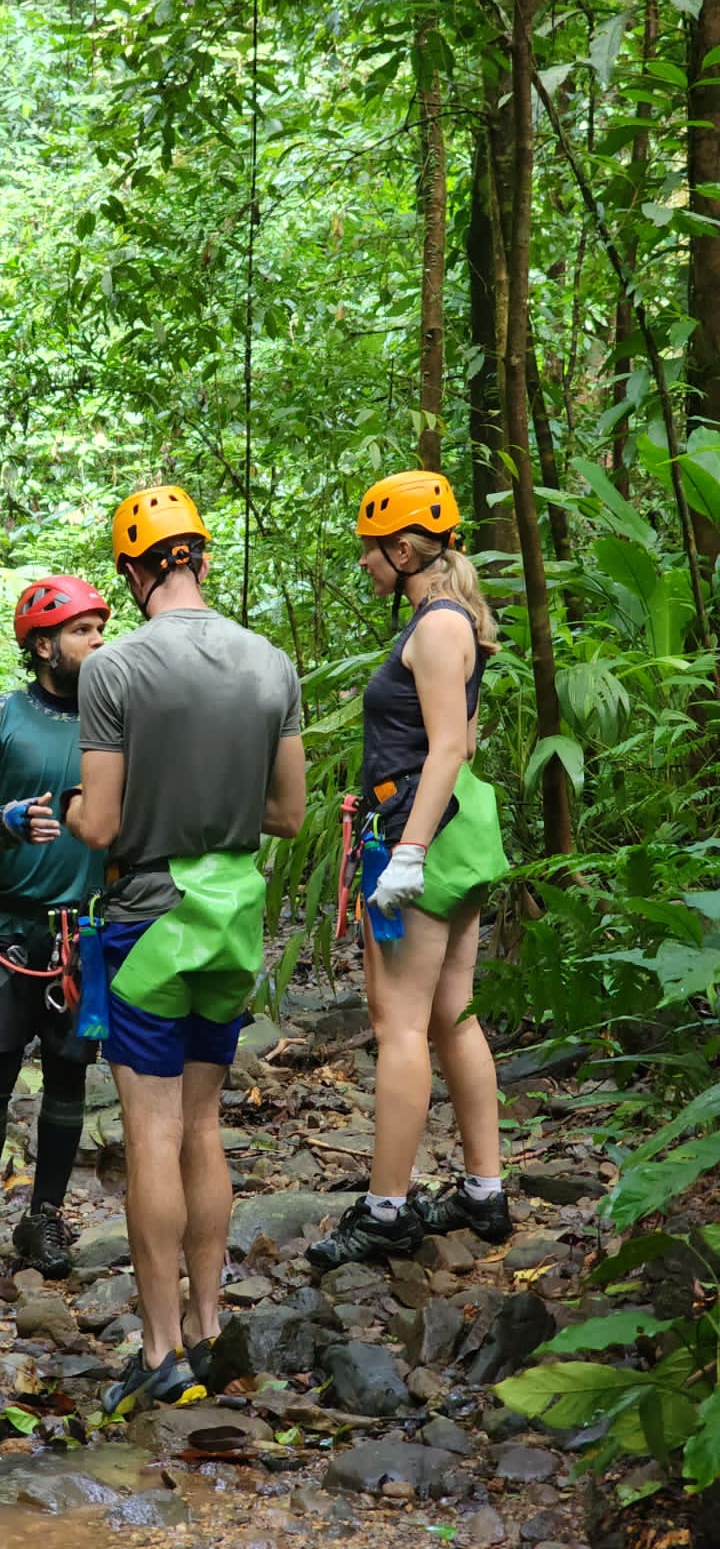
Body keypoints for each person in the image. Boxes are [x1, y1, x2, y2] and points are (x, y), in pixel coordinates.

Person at [64, 486, 306, 1415]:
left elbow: (104, 823)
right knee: (205, 1127)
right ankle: (209, 1325)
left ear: (133, 571)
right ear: (200, 558)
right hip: (232, 921)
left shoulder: (114, 669)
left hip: (147, 922)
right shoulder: (271, 663)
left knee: (153, 1133)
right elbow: (284, 813)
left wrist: (82, 815)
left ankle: (161, 1346)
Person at [306, 471, 512, 1273]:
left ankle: (388, 1207)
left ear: (403, 549)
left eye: (369, 552)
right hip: (459, 838)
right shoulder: (454, 619)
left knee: (398, 1025)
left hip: (424, 840)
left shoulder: (434, 628)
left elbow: (449, 745)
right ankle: (483, 1190)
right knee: (452, 1013)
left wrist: (412, 851)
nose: (364, 565)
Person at [0, 575, 110, 1278]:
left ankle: (44, 1219)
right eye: (83, 631)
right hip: (4, 928)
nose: (99, 641)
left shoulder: (117, 720)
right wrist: (7, 823)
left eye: (102, 628)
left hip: (85, 933)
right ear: (43, 645)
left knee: (69, 1076)